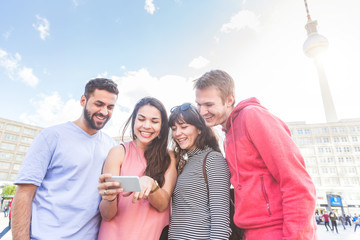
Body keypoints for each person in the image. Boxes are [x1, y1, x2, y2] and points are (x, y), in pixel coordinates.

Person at [194, 69, 317, 239]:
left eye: (208, 105)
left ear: (229, 100)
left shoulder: (252, 116)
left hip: (277, 231)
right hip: (250, 232)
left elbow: (297, 183)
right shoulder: (227, 136)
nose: (201, 112)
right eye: (198, 105)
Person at [11, 78, 119, 240]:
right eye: (99, 104)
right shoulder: (51, 136)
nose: (104, 112)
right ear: (83, 100)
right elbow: (24, 194)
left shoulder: (112, 146)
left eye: (110, 107)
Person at [97, 97, 177, 240]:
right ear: (134, 121)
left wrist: (151, 184)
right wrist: (109, 198)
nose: (146, 126)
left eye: (154, 121)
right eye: (141, 119)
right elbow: (107, 215)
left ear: (162, 126)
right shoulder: (118, 152)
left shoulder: (169, 156)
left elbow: (162, 204)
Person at [168, 103, 231, 239]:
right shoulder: (184, 162)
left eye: (184, 127)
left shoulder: (213, 159)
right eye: (174, 128)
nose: (177, 133)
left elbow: (221, 223)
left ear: (200, 129)